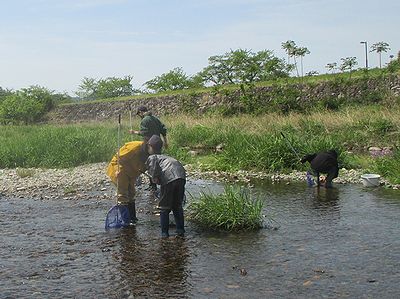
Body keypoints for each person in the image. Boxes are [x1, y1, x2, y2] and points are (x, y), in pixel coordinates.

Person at [145, 135, 186, 238]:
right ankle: (180, 230)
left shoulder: (153, 157)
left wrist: (155, 179)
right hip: (181, 177)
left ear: (150, 146)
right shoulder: (166, 157)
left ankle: (164, 234)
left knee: (164, 207)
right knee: (177, 206)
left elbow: (153, 172)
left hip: (169, 178)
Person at [106, 140, 149, 223]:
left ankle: (132, 218)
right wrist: (116, 170)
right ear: (149, 146)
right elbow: (118, 157)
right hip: (120, 170)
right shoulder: (135, 148)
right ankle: (126, 220)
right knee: (123, 195)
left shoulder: (150, 154)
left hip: (132, 172)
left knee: (132, 193)